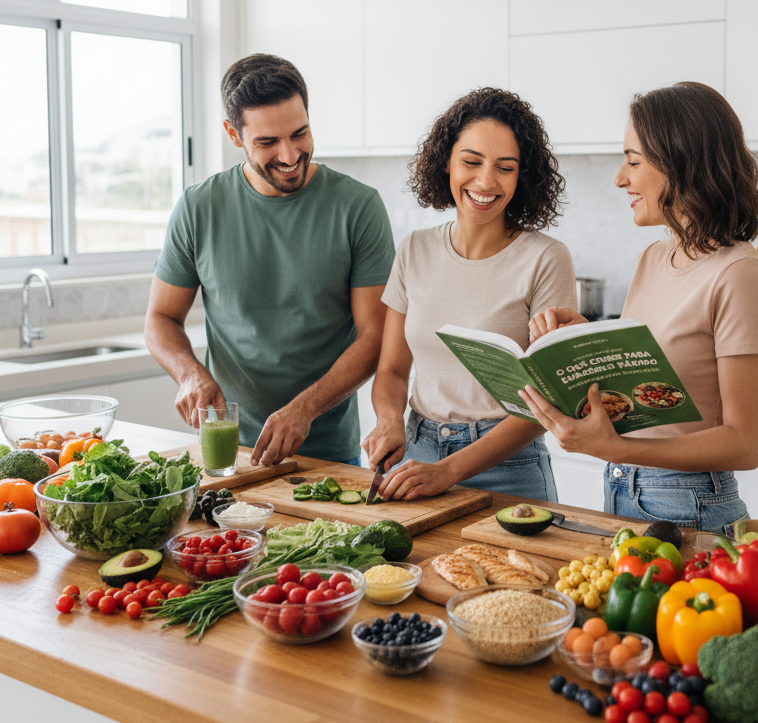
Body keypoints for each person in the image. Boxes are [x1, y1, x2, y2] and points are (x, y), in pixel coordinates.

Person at [520, 81, 758, 532]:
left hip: (690, 504)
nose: (621, 178)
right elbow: (649, 378)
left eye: (633, 161)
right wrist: (580, 339)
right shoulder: (655, 257)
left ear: (682, 164)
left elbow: (747, 443)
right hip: (624, 488)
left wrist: (617, 449)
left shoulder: (740, 274)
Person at [145, 53, 395, 466]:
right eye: (267, 142)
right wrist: (188, 373)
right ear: (234, 134)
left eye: (300, 133)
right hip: (228, 449)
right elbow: (159, 319)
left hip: (325, 452)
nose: (290, 154)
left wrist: (304, 410)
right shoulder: (198, 207)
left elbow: (375, 337)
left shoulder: (358, 207)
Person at [363, 87, 577, 502]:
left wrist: (449, 471)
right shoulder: (414, 249)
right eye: (471, 162)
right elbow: (391, 369)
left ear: (522, 176)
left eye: (505, 167)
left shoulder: (546, 258)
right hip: (418, 454)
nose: (485, 181)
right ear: (447, 163)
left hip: (510, 468)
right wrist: (390, 420)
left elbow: (549, 401)